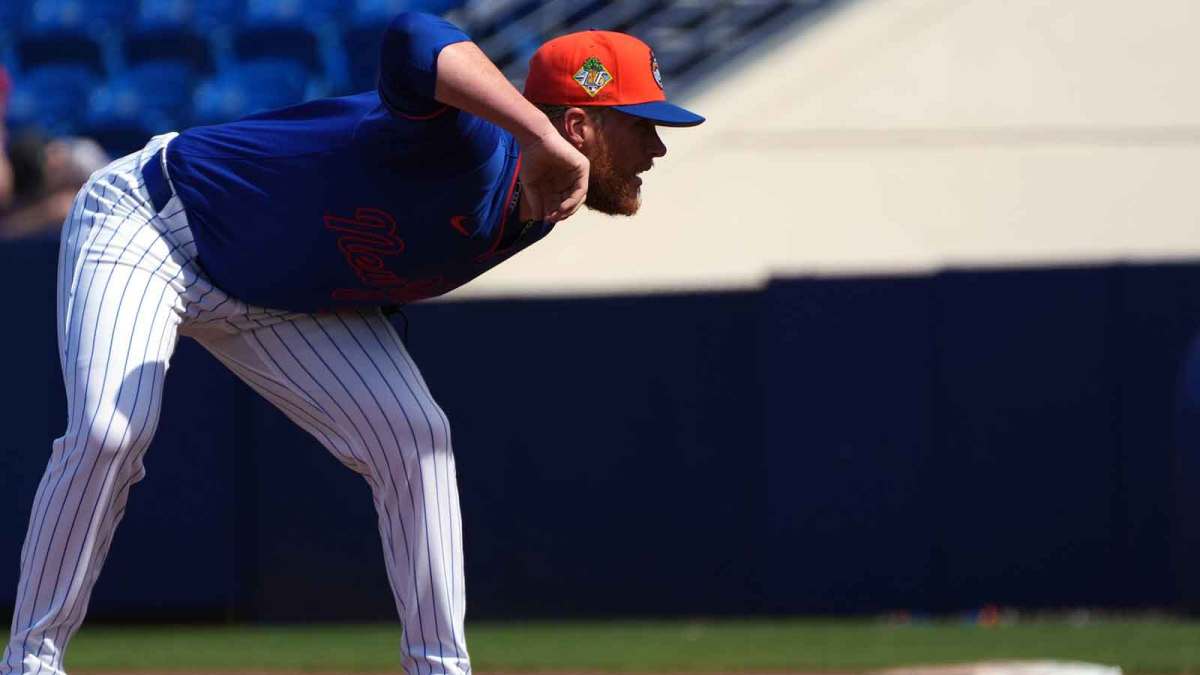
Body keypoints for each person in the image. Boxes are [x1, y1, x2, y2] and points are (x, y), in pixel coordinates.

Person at [1, 11, 703, 675]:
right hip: (151, 223)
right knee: (110, 431)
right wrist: (533, 131)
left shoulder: (539, 205)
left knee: (416, 436)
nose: (658, 145)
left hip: (277, 296)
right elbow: (415, 35)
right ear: (578, 125)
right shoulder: (463, 140)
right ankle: (31, 660)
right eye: (640, 124)